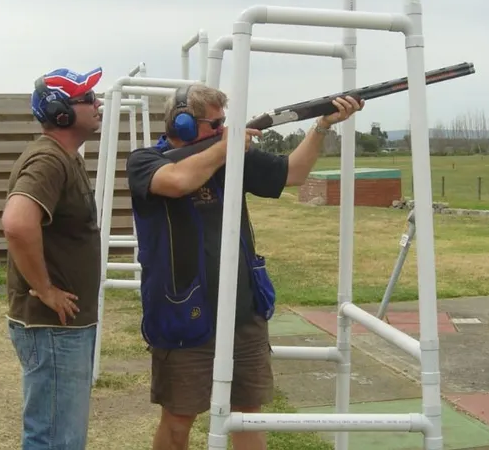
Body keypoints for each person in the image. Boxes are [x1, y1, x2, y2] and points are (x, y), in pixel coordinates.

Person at [126, 83, 363, 450]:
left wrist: (322, 126)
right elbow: (178, 182)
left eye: (226, 123)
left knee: (248, 413)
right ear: (183, 124)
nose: (223, 130)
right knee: (178, 418)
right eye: (215, 124)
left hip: (243, 307)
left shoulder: (230, 153)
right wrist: (226, 146)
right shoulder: (145, 161)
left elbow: (294, 173)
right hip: (183, 312)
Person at [0, 66, 104, 450]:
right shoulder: (48, 160)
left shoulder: (65, 156)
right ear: (62, 111)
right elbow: (16, 223)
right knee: (54, 439)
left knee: (62, 435)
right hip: (53, 328)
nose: (97, 103)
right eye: (87, 99)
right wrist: (44, 289)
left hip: (65, 328)